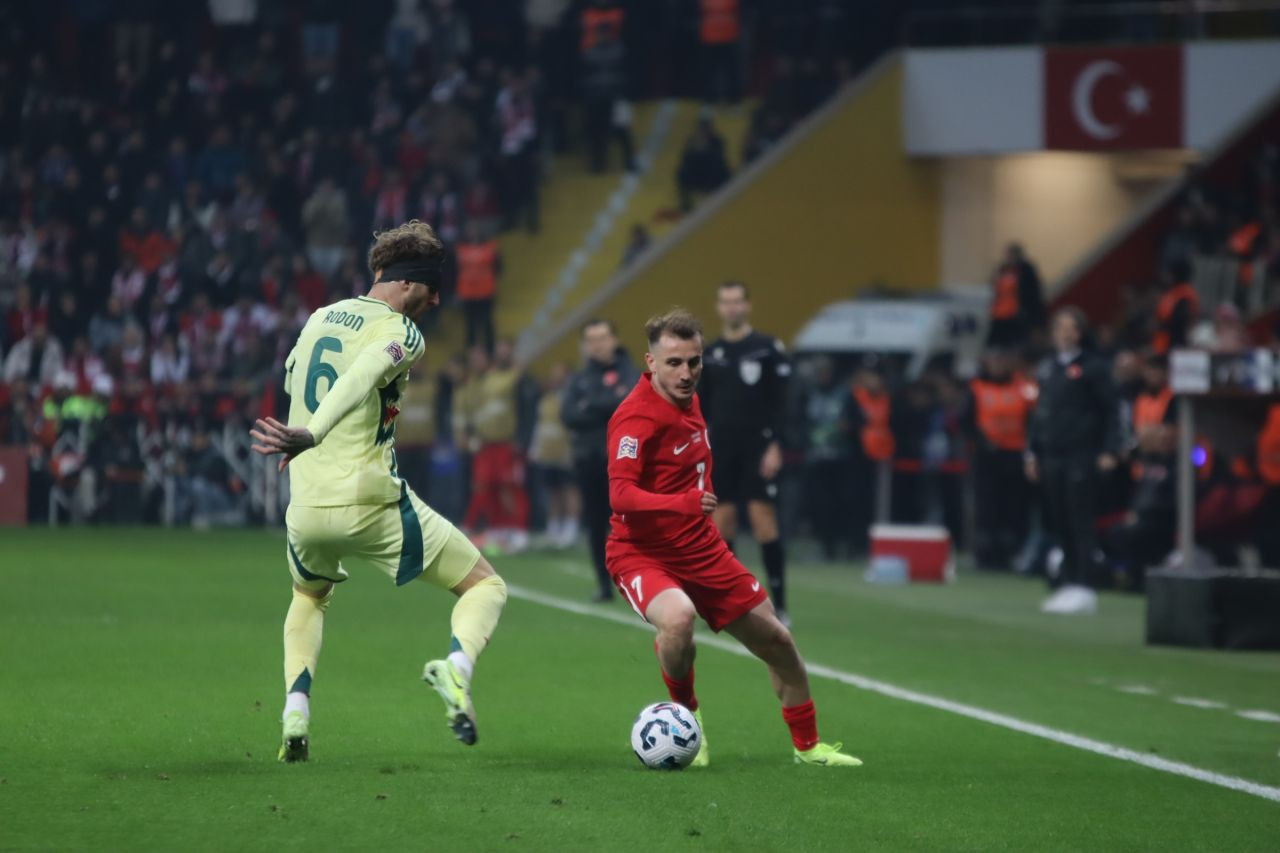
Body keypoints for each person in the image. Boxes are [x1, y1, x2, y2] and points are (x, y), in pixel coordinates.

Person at [249, 221, 508, 762]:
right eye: (434, 289)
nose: (437, 302)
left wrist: (305, 437)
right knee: (485, 587)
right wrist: (315, 432)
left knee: (307, 598)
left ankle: (296, 711)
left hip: (305, 505)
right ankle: (455, 671)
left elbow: (299, 378)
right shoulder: (402, 331)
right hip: (369, 499)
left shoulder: (319, 318)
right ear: (410, 284)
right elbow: (366, 372)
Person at [606, 307, 859, 767]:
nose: (686, 374)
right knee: (679, 617)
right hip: (643, 553)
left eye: (694, 362)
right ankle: (689, 721)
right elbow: (620, 494)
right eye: (674, 363)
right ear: (650, 363)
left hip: (702, 547)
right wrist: (682, 502)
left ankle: (809, 748)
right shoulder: (634, 420)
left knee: (779, 643)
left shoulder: (693, 400)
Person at [700, 281, 793, 625]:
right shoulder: (711, 353)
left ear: (748, 306)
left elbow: (783, 402)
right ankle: (734, 600)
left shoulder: (767, 348)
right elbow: (701, 407)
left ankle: (780, 604)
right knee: (721, 523)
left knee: (762, 518)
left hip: (759, 446)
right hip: (722, 449)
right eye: (726, 302)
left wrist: (776, 444)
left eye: (738, 301)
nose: (732, 308)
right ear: (719, 307)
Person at [1026, 307, 1121, 614]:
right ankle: (1067, 582)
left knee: (1080, 519)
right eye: (1059, 328)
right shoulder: (1048, 368)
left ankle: (1085, 584)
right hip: (1052, 455)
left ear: (1080, 333)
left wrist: (1109, 449)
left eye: (1071, 328)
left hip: (1081, 454)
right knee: (1059, 520)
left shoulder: (1094, 368)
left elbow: (1111, 411)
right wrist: (1032, 452)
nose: (1065, 334)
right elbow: (1038, 415)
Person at [561, 318, 639, 601]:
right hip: (589, 459)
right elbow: (568, 415)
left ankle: (636, 581)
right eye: (592, 340)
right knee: (595, 523)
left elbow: (631, 405)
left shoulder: (631, 372)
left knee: (629, 522)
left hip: (627, 461)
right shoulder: (579, 379)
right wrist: (608, 403)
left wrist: (591, 404)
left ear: (614, 340)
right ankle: (604, 584)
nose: (598, 345)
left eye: (603, 338)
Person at [965, 348, 1036, 571]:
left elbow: (1034, 418)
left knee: (1014, 506)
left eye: (1002, 360)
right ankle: (985, 554)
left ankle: (1013, 552)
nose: (998, 365)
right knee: (986, 505)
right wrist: (982, 441)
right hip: (987, 457)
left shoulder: (1024, 387)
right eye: (994, 360)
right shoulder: (976, 388)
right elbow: (965, 420)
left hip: (1016, 455)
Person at [986, 243, 1045, 350]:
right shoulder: (1002, 270)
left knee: (1015, 345)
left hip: (1017, 314)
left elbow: (1033, 294)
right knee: (996, 345)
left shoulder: (1026, 270)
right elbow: (994, 288)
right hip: (999, 313)